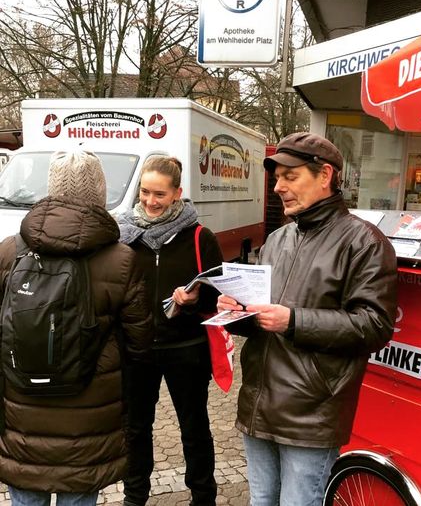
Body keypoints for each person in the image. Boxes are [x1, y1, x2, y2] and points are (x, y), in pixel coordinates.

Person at [218, 132, 398, 506]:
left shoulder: (364, 242)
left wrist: (294, 321)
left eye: (290, 176)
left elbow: (374, 325)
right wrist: (234, 314)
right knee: (262, 500)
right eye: (277, 178)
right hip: (258, 402)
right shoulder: (279, 238)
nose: (279, 187)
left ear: (325, 175)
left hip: (311, 412)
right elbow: (260, 313)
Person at [0, 150, 152, 506]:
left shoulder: (9, 251)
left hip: (21, 415)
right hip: (90, 419)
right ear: (98, 194)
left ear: (49, 190)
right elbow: (140, 344)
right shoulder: (121, 259)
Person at [117, 154, 223, 506]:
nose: (150, 202)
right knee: (135, 429)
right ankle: (135, 497)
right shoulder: (123, 237)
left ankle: (203, 496)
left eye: (159, 194)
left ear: (178, 193)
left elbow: (221, 296)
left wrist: (196, 299)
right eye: (145, 192)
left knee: (193, 428)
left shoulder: (199, 237)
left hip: (186, 348)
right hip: (137, 349)